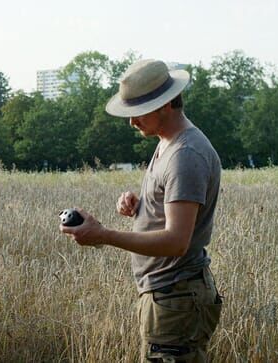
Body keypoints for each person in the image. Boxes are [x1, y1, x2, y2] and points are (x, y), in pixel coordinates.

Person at [60, 59, 222, 362]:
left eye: (137, 112)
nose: (131, 122)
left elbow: (177, 241)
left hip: (176, 297)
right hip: (170, 295)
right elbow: (173, 212)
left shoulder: (184, 155)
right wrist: (142, 207)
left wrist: (104, 235)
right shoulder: (168, 143)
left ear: (166, 105)